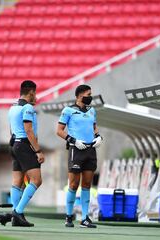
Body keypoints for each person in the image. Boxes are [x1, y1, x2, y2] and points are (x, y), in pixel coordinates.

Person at [57, 84, 103, 228]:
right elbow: (59, 130)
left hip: (90, 150)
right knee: (73, 184)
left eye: (91, 94)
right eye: (88, 94)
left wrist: (98, 137)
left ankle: (84, 218)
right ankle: (69, 216)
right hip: (76, 150)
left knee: (87, 185)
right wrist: (74, 141)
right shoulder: (68, 110)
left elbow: (94, 127)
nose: (90, 97)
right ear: (79, 96)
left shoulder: (92, 110)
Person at [8, 80, 45, 227]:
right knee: (36, 180)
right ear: (31, 93)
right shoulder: (28, 107)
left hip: (14, 144)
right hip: (25, 145)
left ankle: (16, 216)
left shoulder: (12, 107)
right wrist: (38, 151)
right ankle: (17, 211)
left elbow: (11, 130)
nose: (36, 96)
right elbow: (29, 130)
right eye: (35, 93)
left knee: (17, 182)